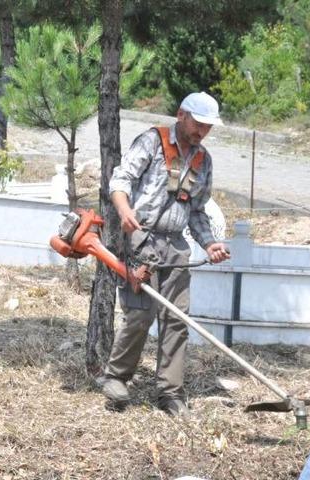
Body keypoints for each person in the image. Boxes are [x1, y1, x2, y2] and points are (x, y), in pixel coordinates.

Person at [102, 91, 231, 416]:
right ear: (181, 115)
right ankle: (117, 379)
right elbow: (121, 179)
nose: (202, 132)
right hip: (140, 240)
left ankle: (170, 393)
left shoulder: (203, 161)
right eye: (198, 123)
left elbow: (199, 210)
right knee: (140, 315)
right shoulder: (151, 142)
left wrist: (209, 244)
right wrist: (124, 209)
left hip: (176, 246)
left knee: (177, 321)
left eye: (207, 127)